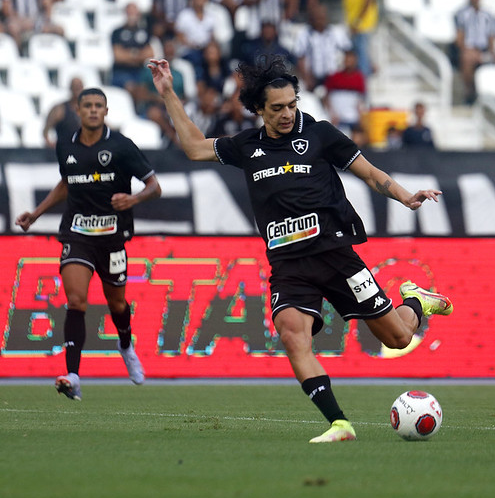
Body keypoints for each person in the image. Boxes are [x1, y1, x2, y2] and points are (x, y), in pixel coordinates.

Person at [148, 55, 453, 443]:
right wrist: (170, 93)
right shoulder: (247, 146)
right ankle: (339, 424)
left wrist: (407, 197)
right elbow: (193, 147)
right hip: (288, 265)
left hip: (336, 256)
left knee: (397, 338)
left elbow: (371, 174)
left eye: (293, 104)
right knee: (293, 336)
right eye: (277, 108)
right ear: (259, 109)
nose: (288, 113)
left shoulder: (321, 134)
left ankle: (416, 301)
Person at [15, 88, 163, 401]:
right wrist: (36, 214)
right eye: (88, 106)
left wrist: (133, 198)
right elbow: (67, 183)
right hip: (77, 233)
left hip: (112, 237)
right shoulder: (65, 145)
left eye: (99, 106)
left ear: (106, 111)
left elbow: (155, 187)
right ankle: (73, 375)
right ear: (79, 111)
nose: (93, 110)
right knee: (76, 300)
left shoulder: (121, 146)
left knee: (117, 305)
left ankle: (125, 345)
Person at [453, 0, 495, 104]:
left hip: (485, 50)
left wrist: (492, 53)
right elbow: (459, 38)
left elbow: (492, 37)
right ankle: (470, 94)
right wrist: (469, 51)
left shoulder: (489, 14)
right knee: (467, 59)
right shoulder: (461, 13)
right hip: (469, 49)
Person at [111, 2, 155, 91]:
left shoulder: (145, 32)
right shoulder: (117, 32)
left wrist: (128, 55)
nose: (132, 15)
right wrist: (138, 55)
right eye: (129, 12)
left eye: (134, 12)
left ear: (138, 14)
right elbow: (118, 56)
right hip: (121, 71)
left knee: (151, 83)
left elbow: (150, 54)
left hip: (140, 70)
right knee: (130, 86)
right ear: (125, 13)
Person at [42, 76, 83, 148]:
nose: (77, 89)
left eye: (79, 87)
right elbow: (46, 131)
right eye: (75, 86)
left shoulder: (89, 111)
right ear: (70, 88)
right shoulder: (60, 109)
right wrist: (51, 145)